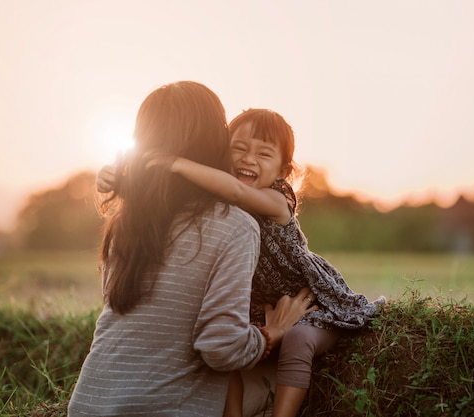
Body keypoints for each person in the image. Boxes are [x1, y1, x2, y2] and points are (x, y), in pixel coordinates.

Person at [100, 108, 385, 417]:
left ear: (283, 171)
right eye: (239, 148)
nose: (249, 159)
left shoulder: (276, 200)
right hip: (259, 310)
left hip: (309, 304)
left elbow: (235, 190)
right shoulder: (216, 195)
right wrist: (118, 178)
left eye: (264, 154)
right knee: (228, 351)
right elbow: (170, 195)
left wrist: (177, 163)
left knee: (299, 340)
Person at [68, 83, 317, 417]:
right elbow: (221, 349)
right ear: (216, 141)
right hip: (161, 410)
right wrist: (275, 331)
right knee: (273, 374)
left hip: (88, 405)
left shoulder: (127, 222)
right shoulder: (234, 225)